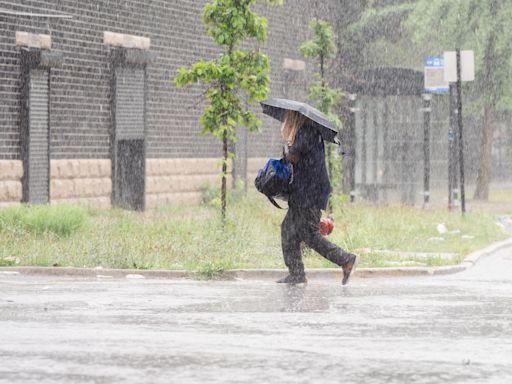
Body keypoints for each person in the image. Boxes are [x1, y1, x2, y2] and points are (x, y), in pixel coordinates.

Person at [277, 111, 357, 285]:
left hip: (309, 193)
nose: (284, 121)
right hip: (306, 191)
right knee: (288, 231)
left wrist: (285, 151)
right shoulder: (309, 132)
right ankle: (296, 274)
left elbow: (293, 157)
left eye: (287, 118)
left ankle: (345, 259)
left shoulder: (305, 132)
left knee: (310, 234)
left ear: (295, 118)